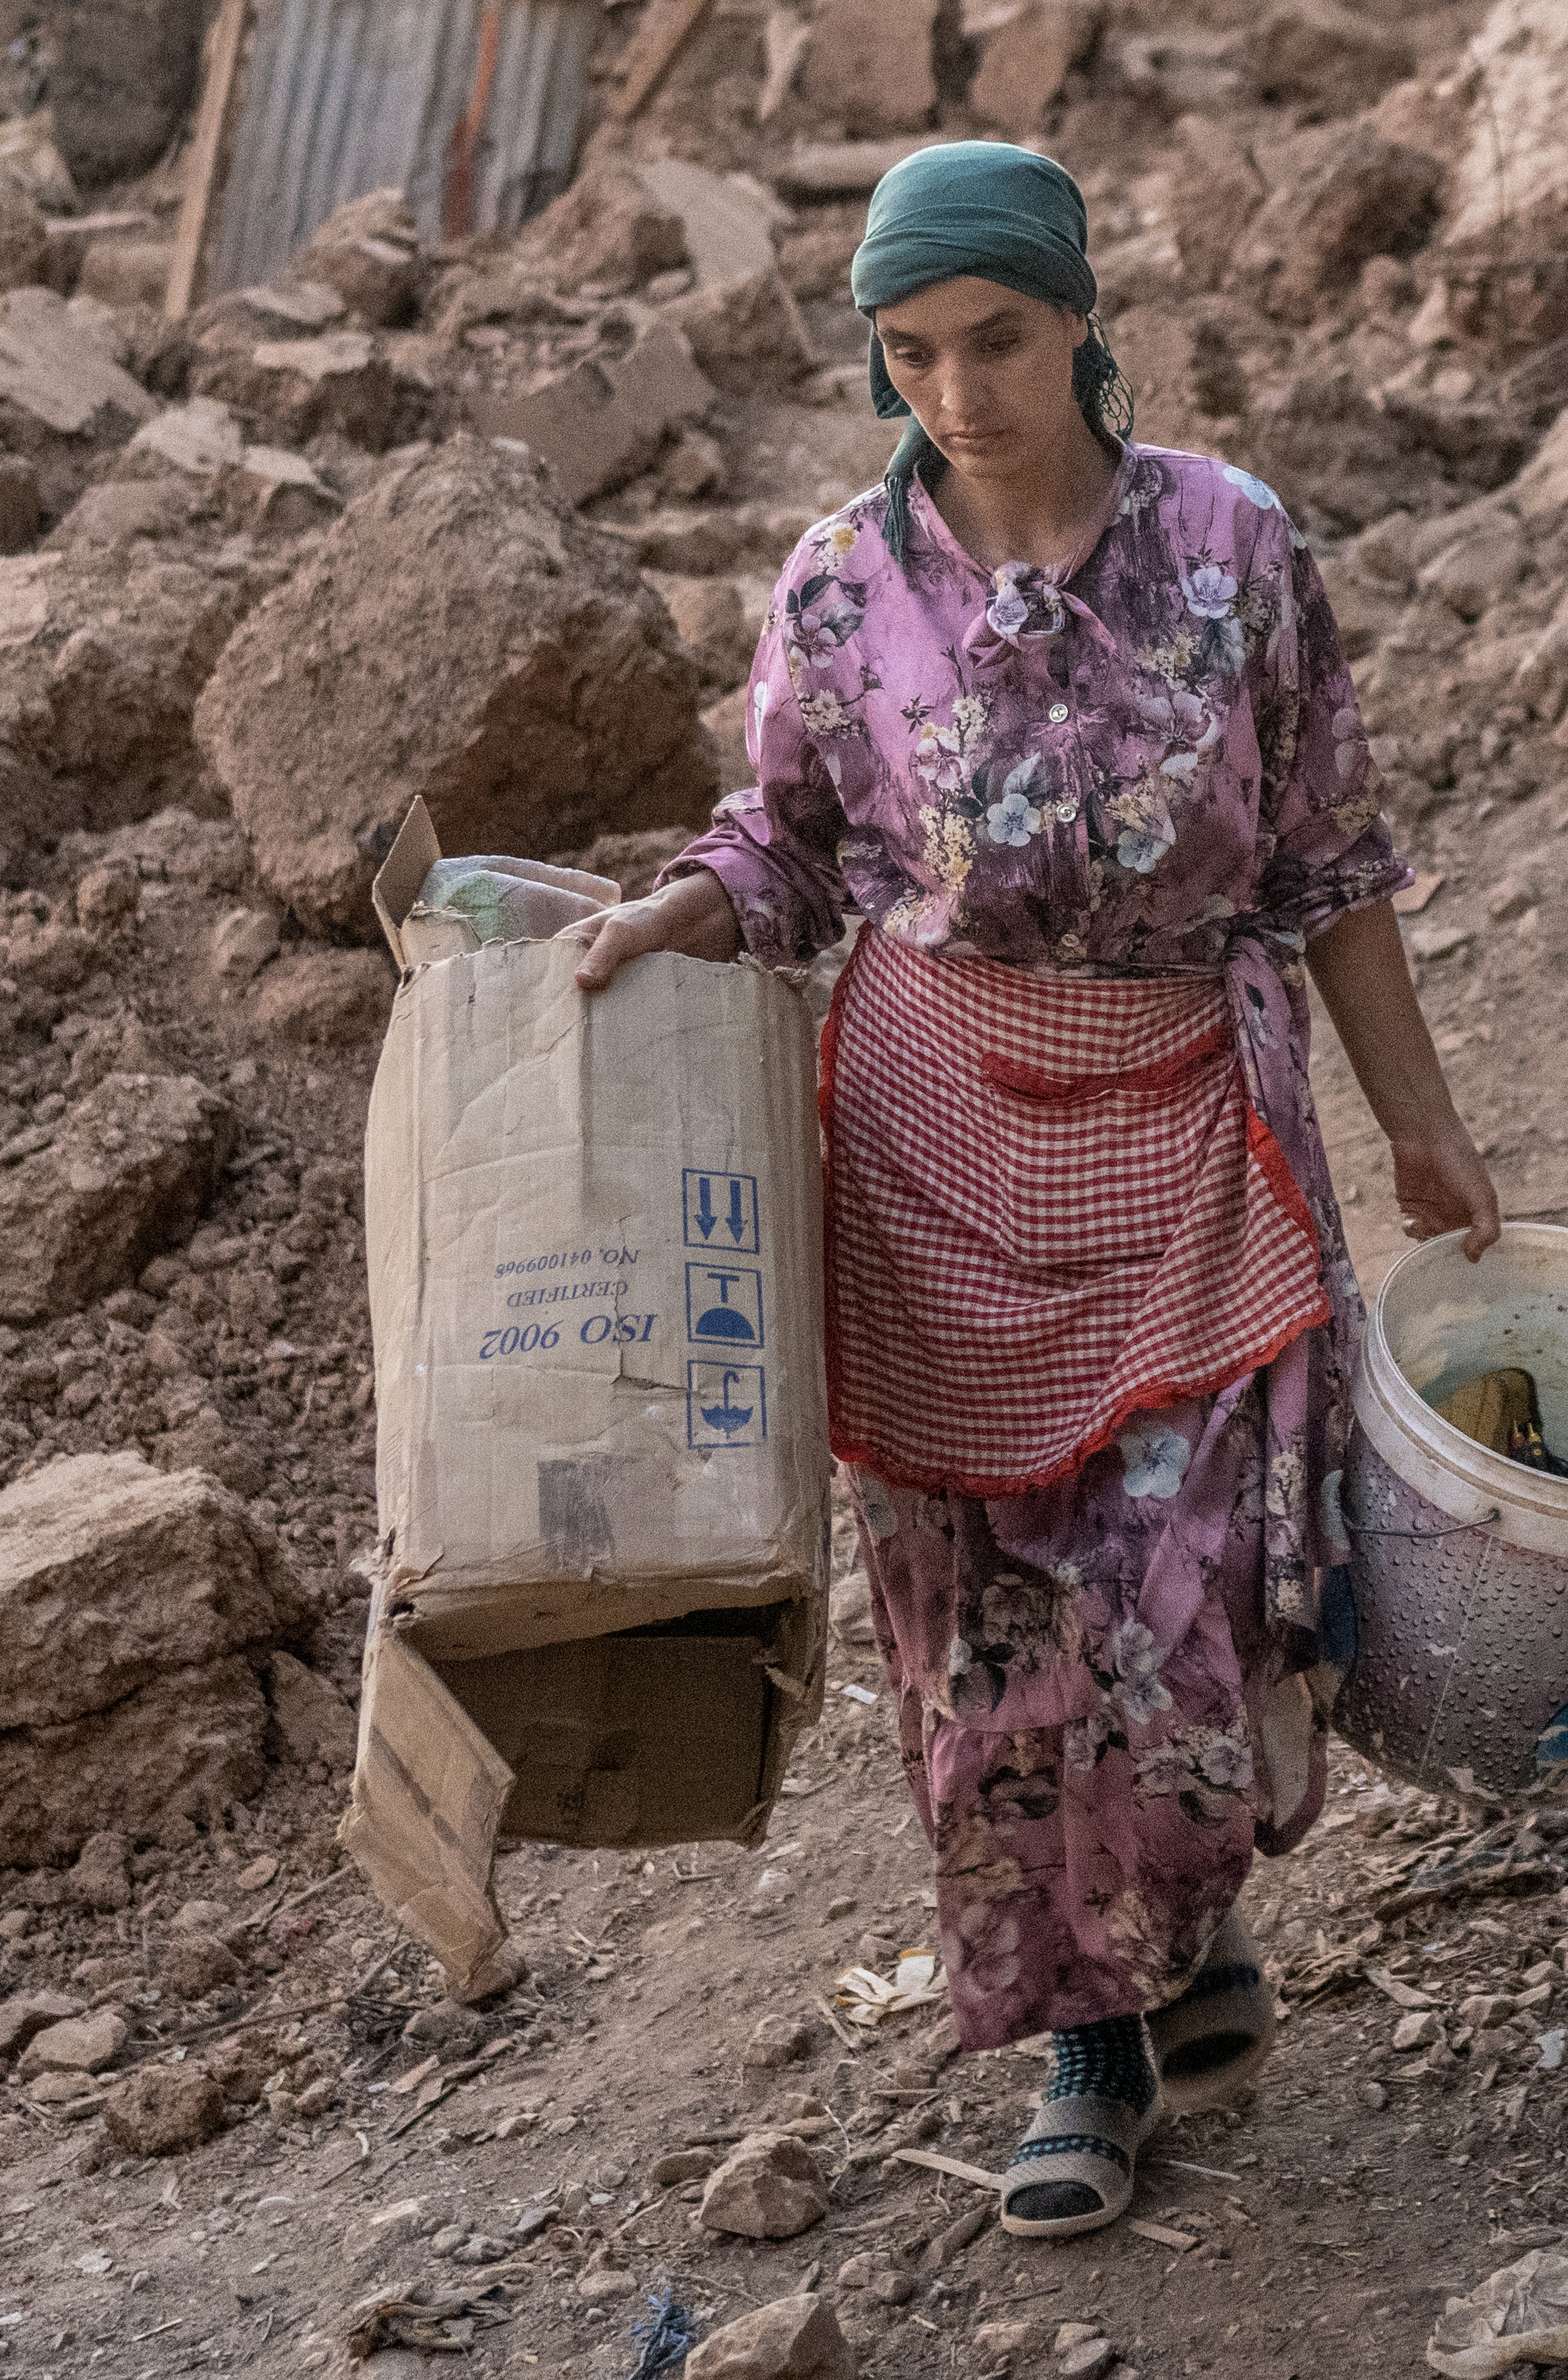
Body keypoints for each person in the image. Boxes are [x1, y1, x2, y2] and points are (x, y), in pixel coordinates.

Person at [573, 142, 1499, 2243]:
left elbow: (1331, 856)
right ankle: (1088, 2044)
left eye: (994, 337)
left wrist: (1422, 1118)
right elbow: (787, 848)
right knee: (989, 1644)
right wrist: (667, 916)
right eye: (910, 352)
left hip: (1184, 1121)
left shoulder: (1232, 545)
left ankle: (1172, 1921)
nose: (958, 388)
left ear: (1080, 313)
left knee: (1178, 1613)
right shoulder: (833, 584)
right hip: (929, 1155)